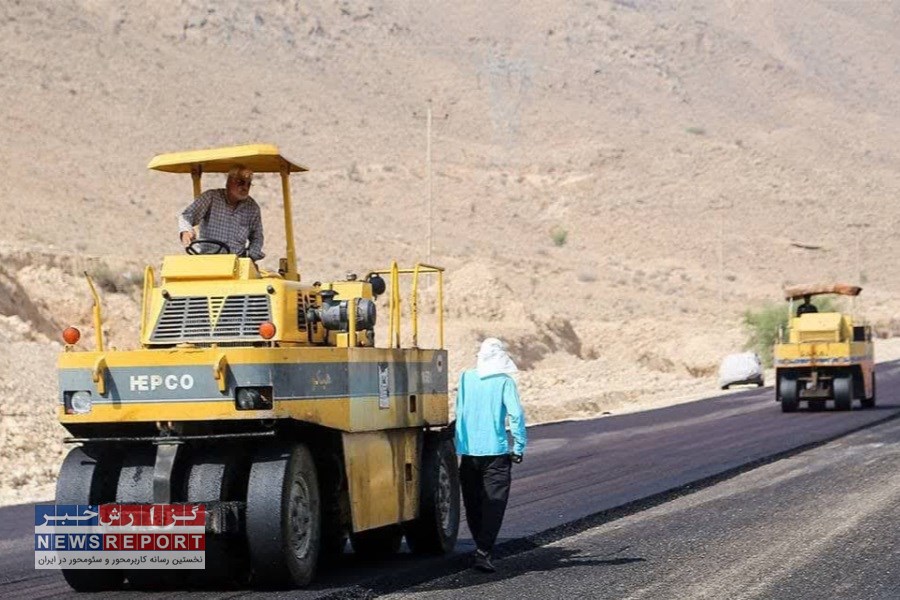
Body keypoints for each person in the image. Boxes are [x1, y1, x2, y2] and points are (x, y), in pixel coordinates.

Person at [454, 337, 527, 573]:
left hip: (468, 453)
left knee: (473, 503)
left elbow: (460, 411)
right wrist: (518, 447)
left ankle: (479, 547)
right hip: (495, 454)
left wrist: (459, 444)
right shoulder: (505, 382)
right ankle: (483, 551)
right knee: (494, 505)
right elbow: (515, 415)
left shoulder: (466, 377)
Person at [178, 164, 265, 261]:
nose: (245, 187)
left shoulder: (252, 208)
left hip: (236, 264)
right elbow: (187, 215)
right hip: (208, 260)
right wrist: (186, 231)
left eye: (248, 184)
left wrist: (251, 257)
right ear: (229, 182)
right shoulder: (211, 197)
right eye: (241, 182)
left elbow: (257, 237)